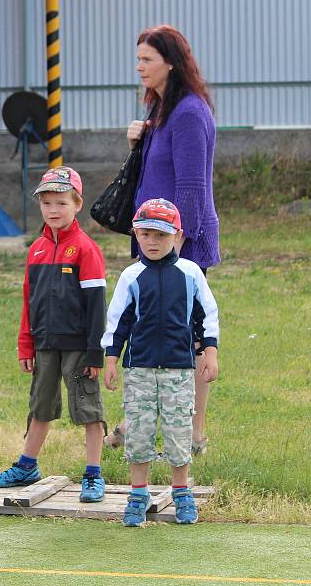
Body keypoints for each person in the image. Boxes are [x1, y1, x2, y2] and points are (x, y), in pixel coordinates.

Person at [120, 24, 219, 456]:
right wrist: (137, 140)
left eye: (147, 59)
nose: (139, 66)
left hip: (181, 246)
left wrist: (174, 253)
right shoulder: (163, 110)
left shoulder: (190, 113)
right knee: (151, 328)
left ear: (172, 63)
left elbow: (192, 190)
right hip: (154, 242)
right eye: (138, 58)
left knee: (190, 337)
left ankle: (193, 436)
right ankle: (135, 422)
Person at [0, 166, 108, 503]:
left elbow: (97, 306)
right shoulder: (36, 249)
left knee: (88, 408)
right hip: (44, 345)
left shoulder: (86, 249)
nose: (53, 210)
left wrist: (96, 352)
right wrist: (26, 343)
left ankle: (93, 474)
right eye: (47, 203)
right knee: (39, 405)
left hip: (80, 347)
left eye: (61, 203)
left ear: (77, 204)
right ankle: (27, 465)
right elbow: (29, 300)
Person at [103, 198, 219, 527]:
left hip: (179, 369)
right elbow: (118, 321)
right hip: (138, 369)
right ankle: (138, 494)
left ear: (177, 236)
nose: (152, 242)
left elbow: (206, 316)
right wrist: (111, 359)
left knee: (178, 429)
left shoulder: (190, 273)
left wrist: (209, 351)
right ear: (136, 235)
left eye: (161, 235)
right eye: (145, 235)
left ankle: (181, 492)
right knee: (138, 431)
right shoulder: (131, 276)